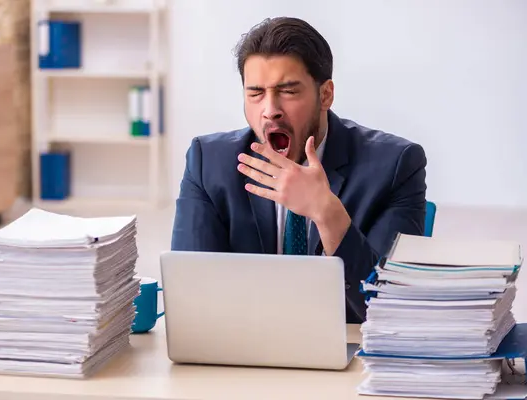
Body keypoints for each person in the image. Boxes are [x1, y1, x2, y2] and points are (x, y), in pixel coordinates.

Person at [170, 16, 427, 323]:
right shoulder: (208, 163)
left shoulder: (397, 166)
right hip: (243, 354)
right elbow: (191, 297)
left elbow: (393, 311)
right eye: (255, 93)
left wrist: (327, 213)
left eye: (288, 91)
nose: (269, 110)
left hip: (349, 360)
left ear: (325, 95)